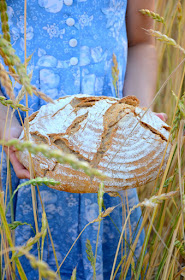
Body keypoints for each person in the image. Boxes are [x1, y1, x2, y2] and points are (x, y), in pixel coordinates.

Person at [0, 0, 166, 279]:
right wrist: (7, 125)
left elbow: (142, 42)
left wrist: (137, 121)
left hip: (111, 152)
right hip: (19, 142)